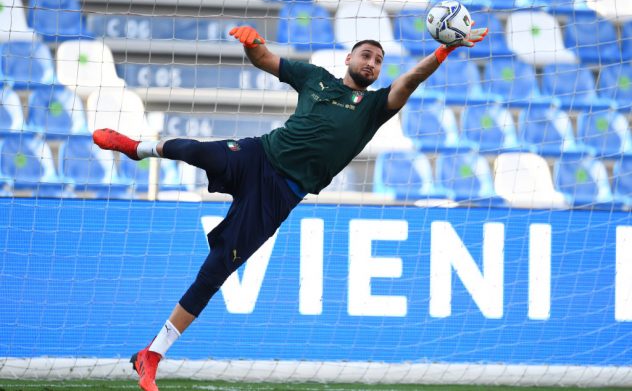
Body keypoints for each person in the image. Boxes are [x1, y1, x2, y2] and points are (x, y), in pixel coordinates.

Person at [93, 24, 488, 391]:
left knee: (216, 270)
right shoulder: (314, 77)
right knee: (196, 150)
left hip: (280, 195)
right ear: (349, 59)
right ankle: (136, 148)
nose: (372, 63)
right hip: (258, 155)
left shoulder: (374, 108)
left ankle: (152, 353)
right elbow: (265, 60)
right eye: (366, 55)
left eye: (378, 60)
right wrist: (253, 44)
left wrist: (443, 50)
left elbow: (410, 80)